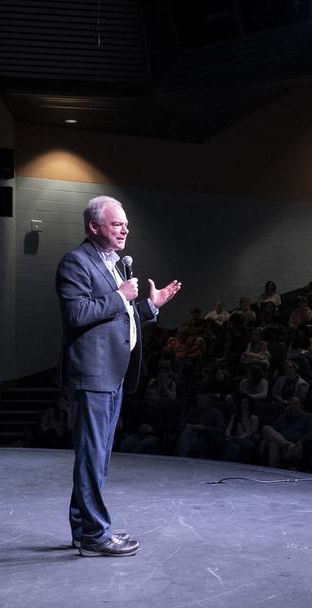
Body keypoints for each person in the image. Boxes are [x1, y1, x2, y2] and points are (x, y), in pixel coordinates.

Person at [56, 195, 181, 557]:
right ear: (94, 227)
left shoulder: (113, 264)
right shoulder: (75, 262)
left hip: (112, 374)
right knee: (93, 456)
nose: (125, 228)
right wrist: (120, 294)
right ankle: (96, 536)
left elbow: (116, 318)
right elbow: (78, 314)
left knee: (97, 457)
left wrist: (149, 307)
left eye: (126, 223)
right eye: (116, 224)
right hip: (91, 375)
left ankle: (84, 529)